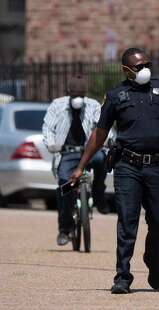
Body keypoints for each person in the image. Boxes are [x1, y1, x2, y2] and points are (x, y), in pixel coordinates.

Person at [69, 48, 159, 294]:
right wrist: (81, 166)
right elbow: (100, 134)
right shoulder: (116, 95)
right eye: (138, 67)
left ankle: (153, 260)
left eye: (147, 64)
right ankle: (123, 276)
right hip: (128, 165)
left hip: (158, 166)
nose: (144, 70)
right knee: (127, 220)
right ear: (126, 71)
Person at [42, 75, 110, 247]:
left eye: (81, 94)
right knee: (65, 184)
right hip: (67, 153)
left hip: (90, 151)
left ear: (85, 94)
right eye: (75, 94)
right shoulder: (57, 105)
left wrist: (107, 140)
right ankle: (65, 229)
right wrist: (51, 144)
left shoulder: (93, 105)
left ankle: (99, 192)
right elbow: (48, 127)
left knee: (102, 159)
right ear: (68, 93)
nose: (78, 98)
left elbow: (103, 127)